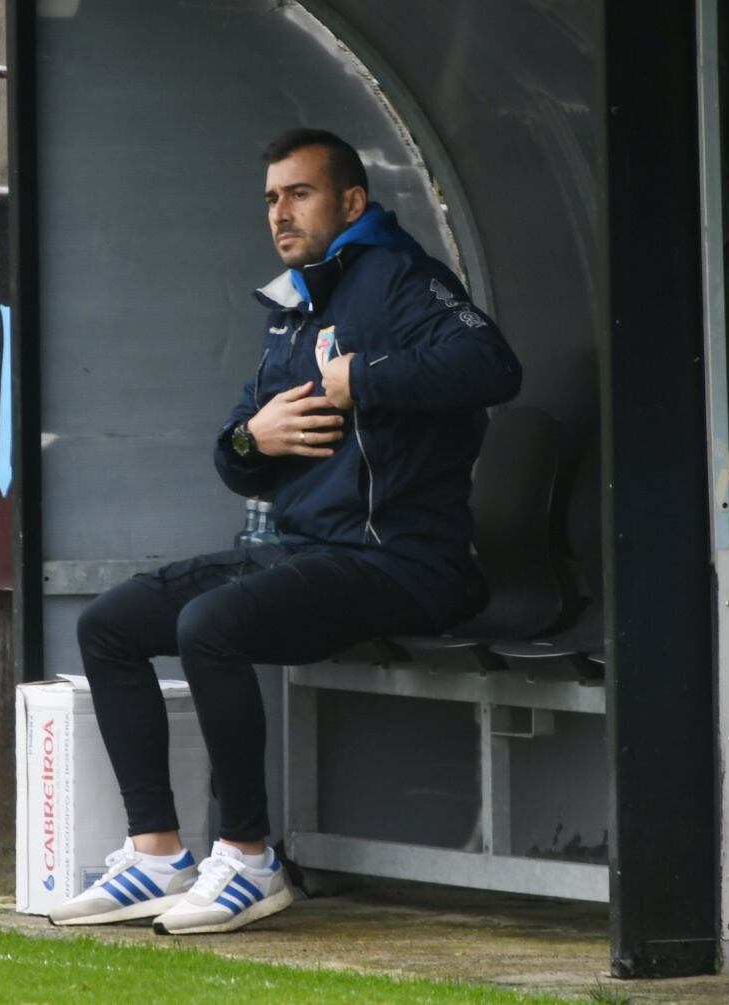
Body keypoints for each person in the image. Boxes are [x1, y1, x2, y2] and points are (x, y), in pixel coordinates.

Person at [49, 128, 522, 935]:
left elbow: (495, 366)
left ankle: (248, 857)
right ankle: (159, 853)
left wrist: (360, 377)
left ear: (350, 203)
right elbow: (237, 454)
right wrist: (251, 439)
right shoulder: (293, 304)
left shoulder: (400, 277)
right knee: (110, 624)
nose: (280, 211)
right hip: (307, 552)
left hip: (404, 560)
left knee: (211, 625)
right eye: (271, 197)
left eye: (298, 193)